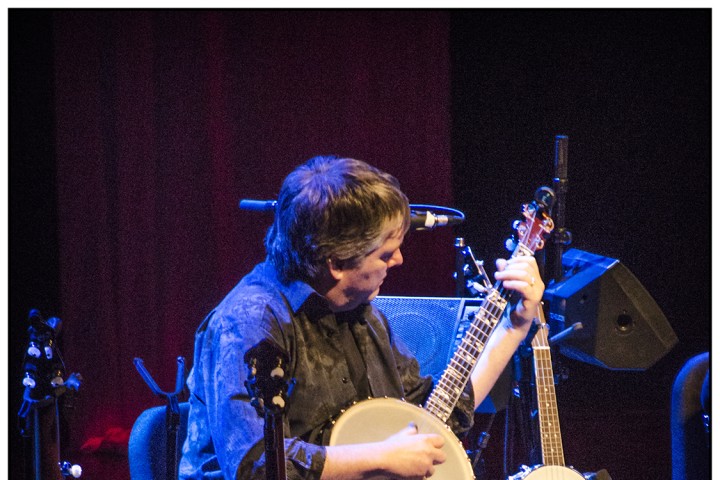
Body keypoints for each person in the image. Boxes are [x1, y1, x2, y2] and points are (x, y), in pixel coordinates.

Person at [179, 155, 544, 480]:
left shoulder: (362, 315)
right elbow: (254, 465)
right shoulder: (250, 322)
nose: (399, 261)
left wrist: (513, 328)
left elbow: (432, 419)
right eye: (385, 254)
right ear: (336, 263)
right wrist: (380, 457)